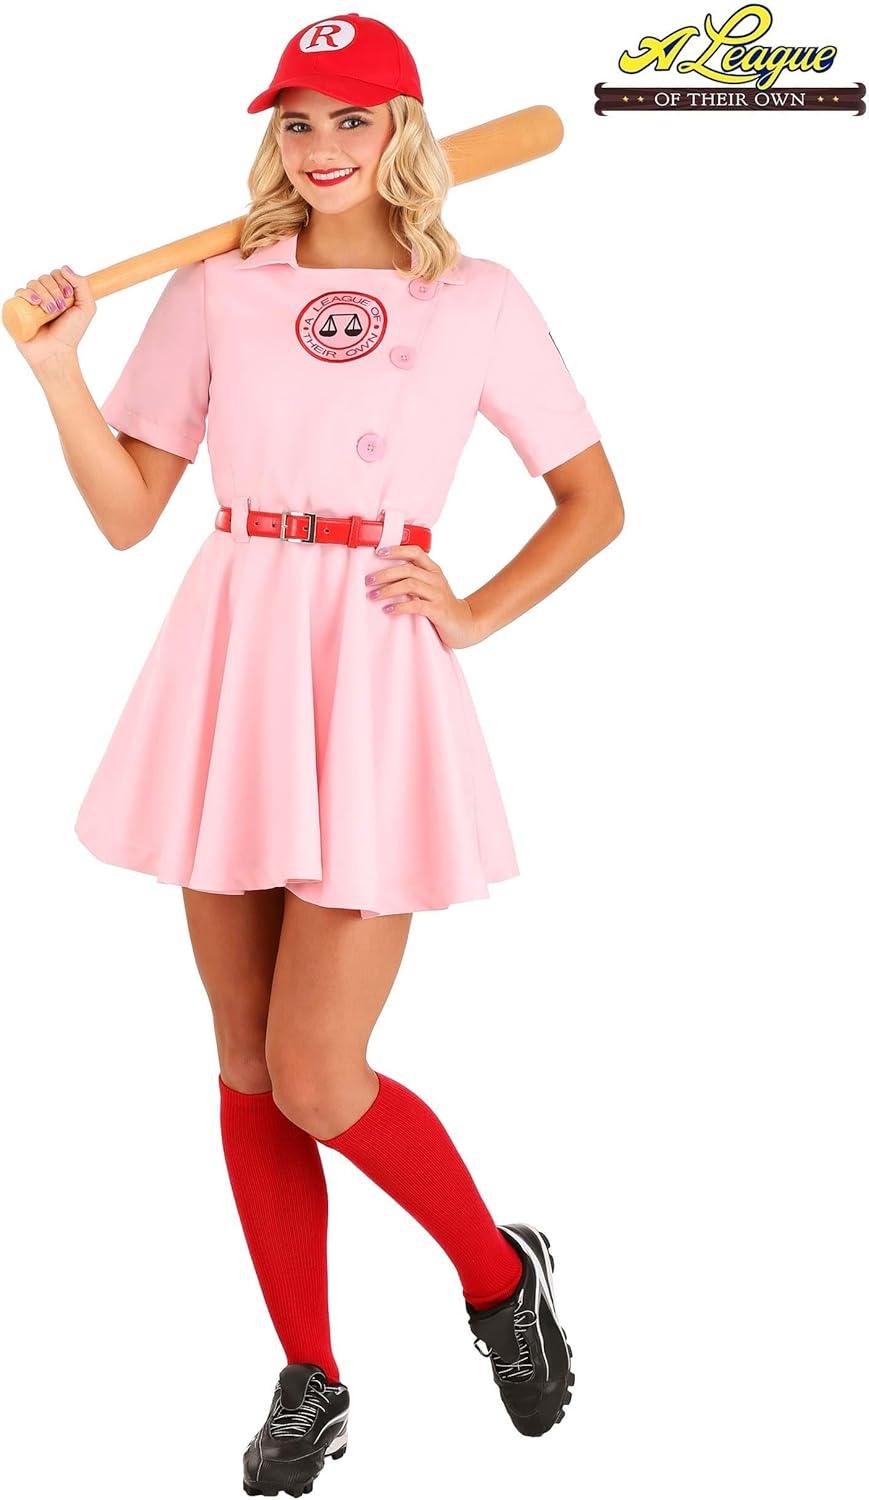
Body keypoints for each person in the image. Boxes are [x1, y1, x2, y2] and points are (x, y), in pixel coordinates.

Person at [12, 12, 623, 1497]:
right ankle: (309, 1372)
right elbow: (128, 510)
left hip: (369, 667)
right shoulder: (219, 288)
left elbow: (593, 500)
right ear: (271, 138)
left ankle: (499, 1279)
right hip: (234, 653)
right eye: (297, 121)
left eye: (353, 117)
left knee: (318, 1075)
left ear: (402, 128)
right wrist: (57, 372)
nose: (323, 146)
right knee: (244, 1064)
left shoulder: (474, 297)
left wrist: (472, 610)